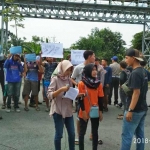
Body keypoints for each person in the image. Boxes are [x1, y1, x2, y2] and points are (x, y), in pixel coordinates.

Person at [120, 48, 148, 150]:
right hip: (142, 108)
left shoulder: (135, 73)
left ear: (133, 58)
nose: (125, 60)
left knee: (126, 136)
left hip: (135, 110)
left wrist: (130, 110)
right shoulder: (143, 71)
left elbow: (136, 93)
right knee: (140, 135)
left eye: (127, 58)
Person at [47, 60, 75, 150]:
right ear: (62, 68)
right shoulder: (55, 79)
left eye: (70, 70)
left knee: (72, 133)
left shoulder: (69, 79)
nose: (68, 72)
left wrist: (77, 94)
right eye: (67, 70)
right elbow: (49, 95)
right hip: (58, 110)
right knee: (59, 134)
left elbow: (70, 93)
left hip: (68, 110)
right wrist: (61, 90)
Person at [71, 50, 95, 144]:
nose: (94, 58)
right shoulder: (78, 67)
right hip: (81, 97)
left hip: (92, 97)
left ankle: (93, 134)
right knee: (79, 117)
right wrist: (78, 84)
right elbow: (71, 78)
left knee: (94, 115)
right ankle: (79, 135)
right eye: (93, 56)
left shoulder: (94, 67)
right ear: (89, 57)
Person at [78, 63, 103, 150]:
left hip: (95, 110)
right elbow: (80, 99)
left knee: (95, 132)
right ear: (88, 71)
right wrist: (84, 111)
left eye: (95, 69)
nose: (95, 71)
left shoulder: (98, 83)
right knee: (82, 133)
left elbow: (100, 98)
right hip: (84, 110)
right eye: (92, 70)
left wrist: (101, 111)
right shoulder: (81, 83)